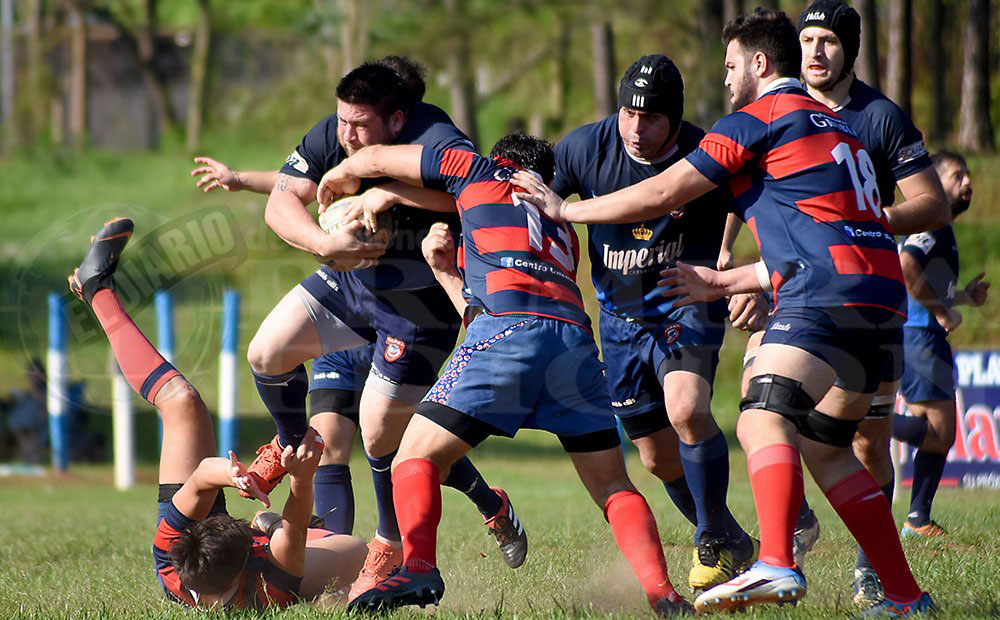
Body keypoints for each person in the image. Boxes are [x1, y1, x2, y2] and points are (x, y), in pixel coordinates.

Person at [513, 8, 944, 615]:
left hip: (825, 297)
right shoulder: (838, 127)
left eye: (731, 64)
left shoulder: (760, 117)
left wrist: (566, 211)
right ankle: (905, 596)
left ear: (760, 64)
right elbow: (829, 228)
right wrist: (733, 278)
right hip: (879, 298)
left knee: (760, 415)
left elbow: (664, 191)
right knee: (825, 448)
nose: (725, 78)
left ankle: (773, 562)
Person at [315, 133, 692, 615]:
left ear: (499, 161)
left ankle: (420, 567)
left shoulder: (474, 171)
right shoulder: (561, 227)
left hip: (509, 330)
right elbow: (486, 302)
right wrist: (447, 271)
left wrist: (348, 176)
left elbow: (377, 157)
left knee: (414, 455)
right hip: (574, 341)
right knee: (613, 486)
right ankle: (665, 596)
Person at [193, 58, 527, 600]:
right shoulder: (335, 132)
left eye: (360, 125)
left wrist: (390, 193)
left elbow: (479, 192)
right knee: (267, 351)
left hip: (418, 310)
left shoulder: (436, 136)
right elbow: (282, 200)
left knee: (379, 434)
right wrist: (325, 244)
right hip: (351, 284)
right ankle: (288, 440)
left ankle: (387, 546)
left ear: (397, 119)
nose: (345, 135)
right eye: (342, 120)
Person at [66, 218, 368, 609]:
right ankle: (269, 527)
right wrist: (300, 479)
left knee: (183, 403)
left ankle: (97, 289)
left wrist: (233, 476)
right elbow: (296, 523)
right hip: (275, 555)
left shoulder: (172, 551)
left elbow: (202, 479)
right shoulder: (269, 585)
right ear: (250, 564)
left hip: (210, 548)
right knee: (358, 552)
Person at [548, 54, 759, 590]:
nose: (636, 129)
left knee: (687, 409)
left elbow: (766, 206)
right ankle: (730, 538)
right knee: (656, 459)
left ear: (675, 119)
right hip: (619, 320)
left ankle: (710, 541)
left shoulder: (705, 151)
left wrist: (740, 264)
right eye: (628, 114)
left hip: (684, 301)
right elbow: (534, 202)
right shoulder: (584, 147)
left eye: (651, 118)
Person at [795, 1, 950, 604]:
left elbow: (932, 203)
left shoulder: (880, 116)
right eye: (807, 39)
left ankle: (872, 567)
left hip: (867, 294)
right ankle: (785, 544)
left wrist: (867, 217)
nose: (815, 51)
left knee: (866, 441)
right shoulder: (783, 110)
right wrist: (732, 260)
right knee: (772, 414)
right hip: (797, 292)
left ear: (849, 50)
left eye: (828, 40)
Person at [893, 151, 989, 537]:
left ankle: (918, 517)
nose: (967, 183)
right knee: (939, 432)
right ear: (932, 181)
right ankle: (864, 423)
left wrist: (962, 297)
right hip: (918, 334)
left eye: (968, 175)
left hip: (921, 333)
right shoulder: (930, 223)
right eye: (957, 175)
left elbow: (925, 281)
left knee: (932, 431)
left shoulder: (940, 226)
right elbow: (906, 267)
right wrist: (941, 312)